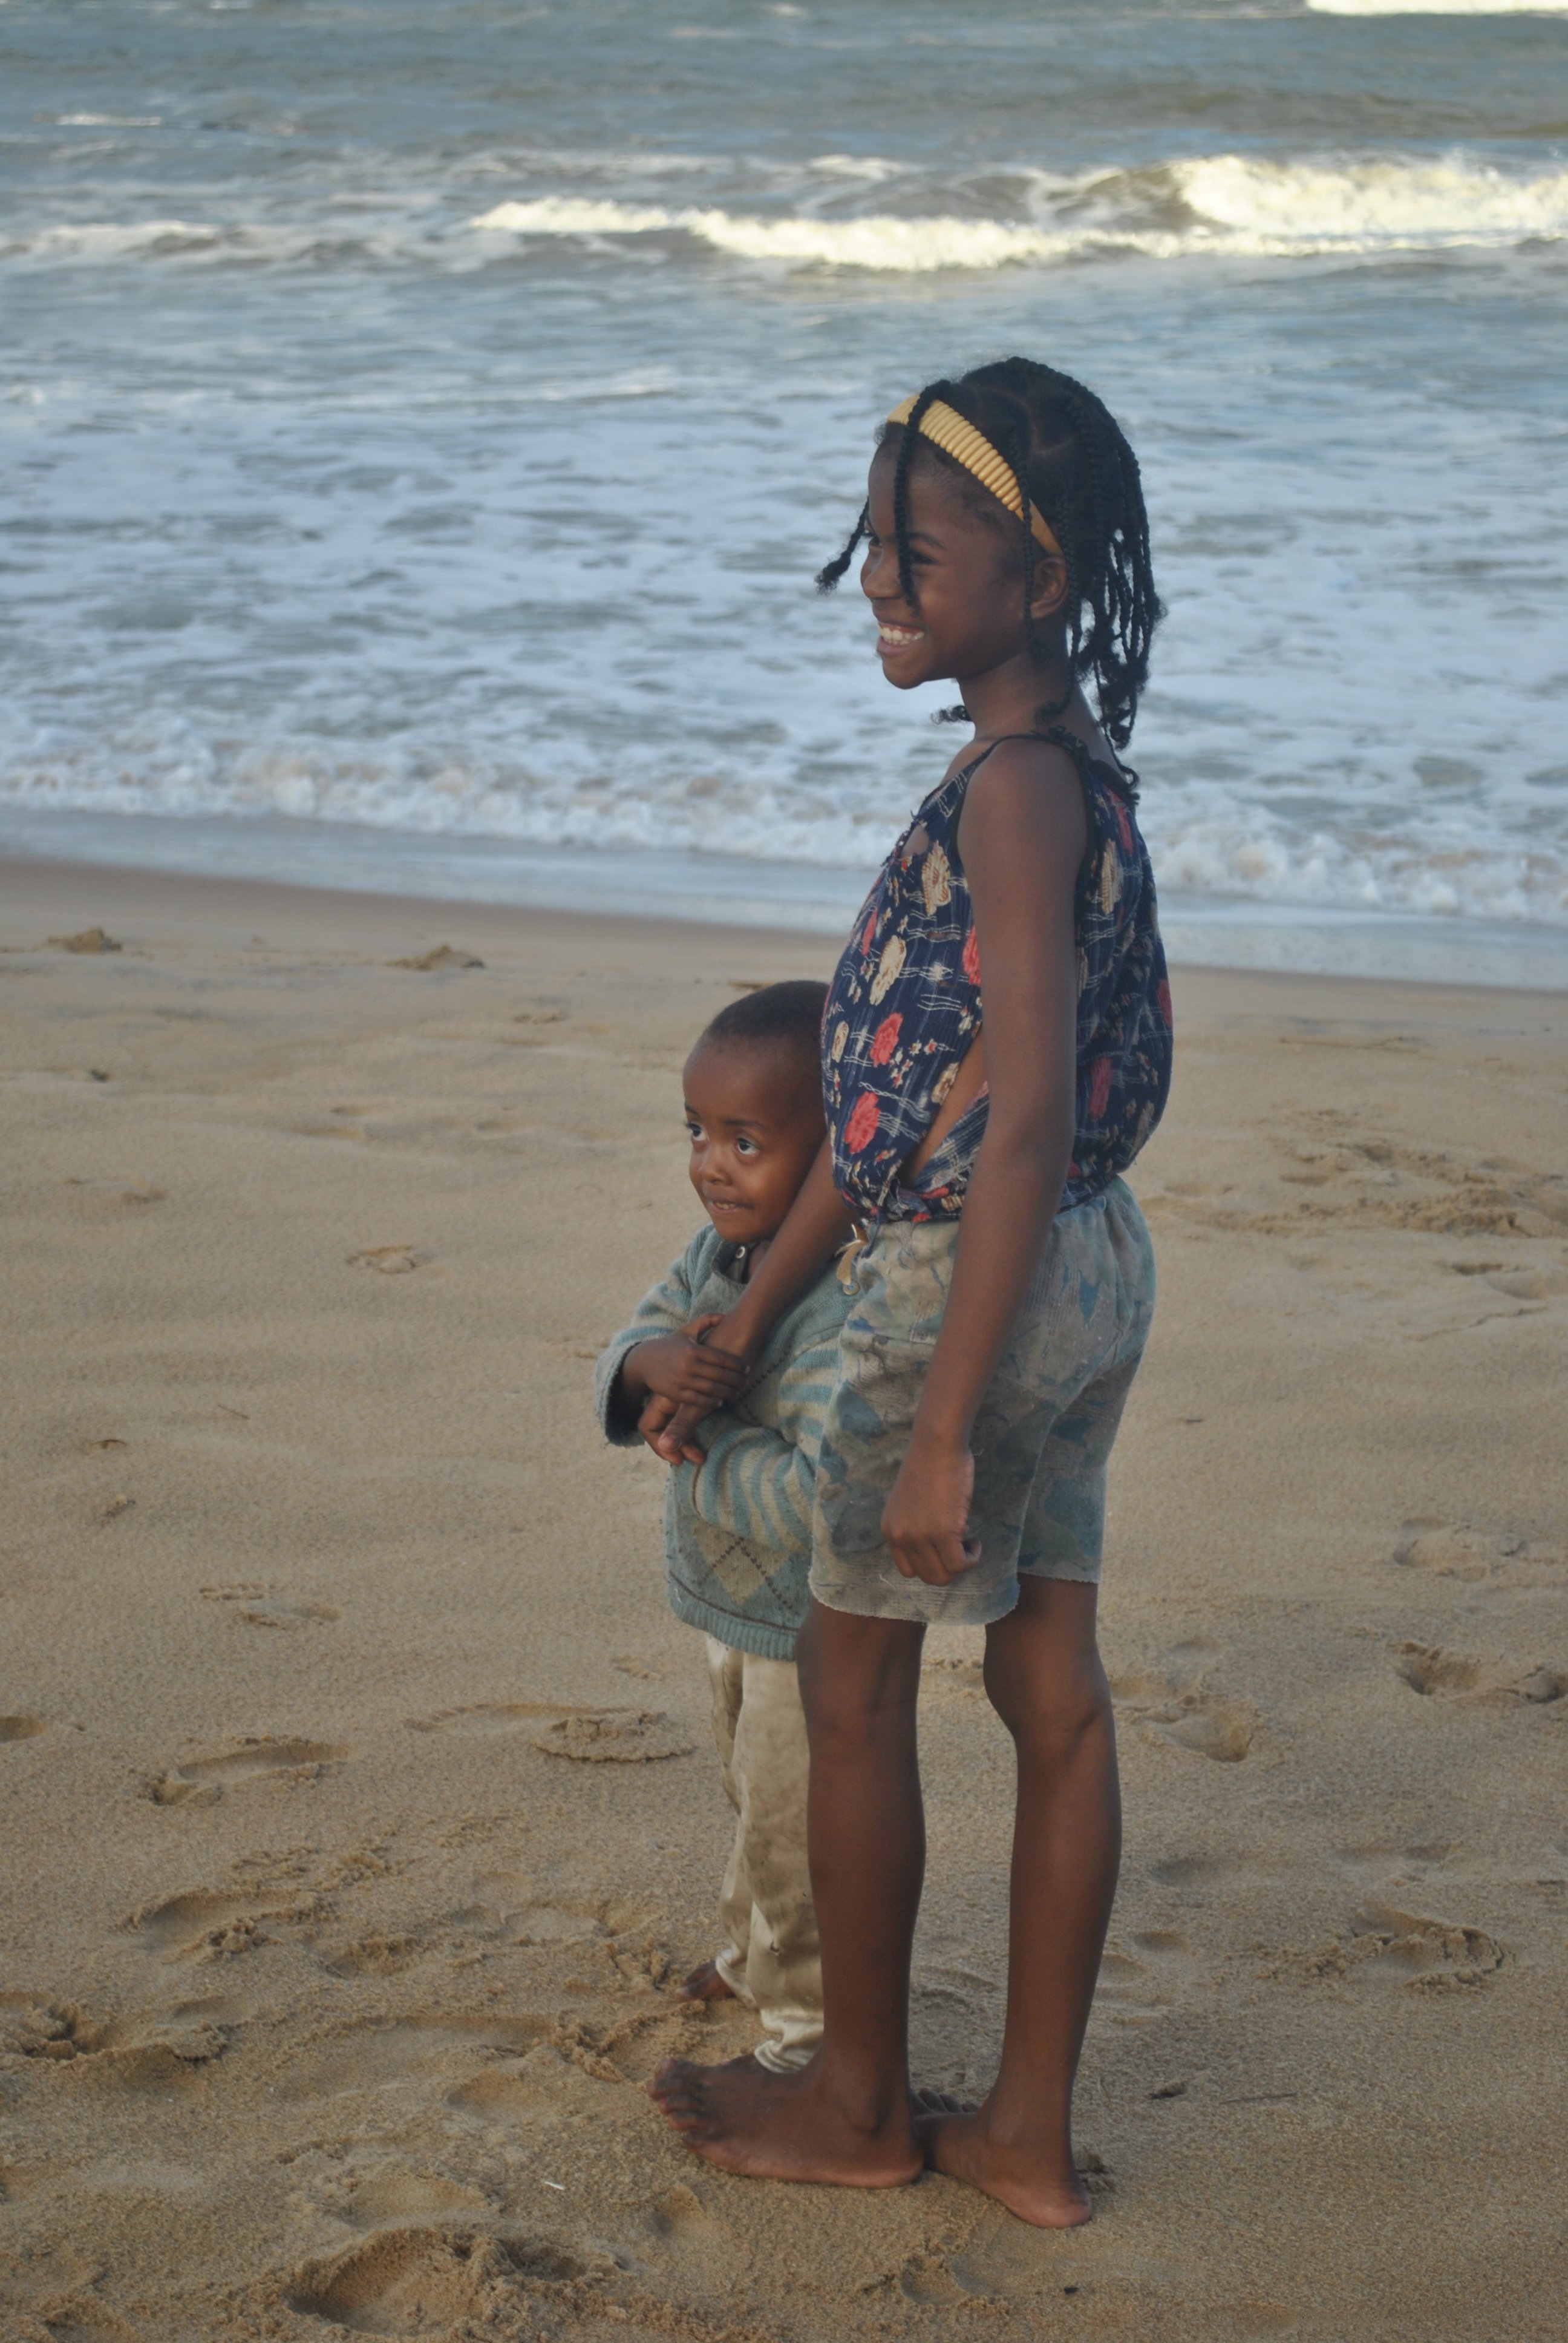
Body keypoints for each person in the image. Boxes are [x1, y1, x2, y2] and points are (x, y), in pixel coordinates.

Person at [647, 358, 1173, 2228]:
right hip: (1086, 1264)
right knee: (1053, 1690)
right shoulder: (1066, 771)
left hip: (977, 1287)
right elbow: (921, 1110)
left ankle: (861, 2105)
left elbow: (1010, 1116)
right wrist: (748, 1316)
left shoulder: (1013, 797)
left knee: (853, 1677)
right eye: (871, 545)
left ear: (1039, 578)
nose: (876, 580)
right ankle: (1021, 2132)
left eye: (916, 553)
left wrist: (940, 1421)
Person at [595, 980, 851, 2077]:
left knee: (794, 1832)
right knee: (750, 1796)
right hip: (730, 1608)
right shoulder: (716, 1256)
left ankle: (807, 2037)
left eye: (746, 1142)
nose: (710, 1165)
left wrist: (700, 1442)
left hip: (810, 1630)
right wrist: (653, 1367)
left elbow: (824, 1494)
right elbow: (638, 1338)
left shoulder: (842, 1305)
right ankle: (749, 1962)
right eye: (696, 1132)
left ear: (838, 1154)